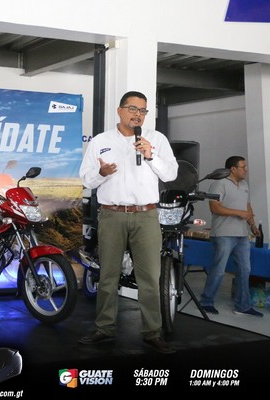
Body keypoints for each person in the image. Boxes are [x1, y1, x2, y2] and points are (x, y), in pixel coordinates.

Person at [78, 90, 179, 354]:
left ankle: (152, 332)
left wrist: (150, 155)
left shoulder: (156, 139)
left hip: (146, 216)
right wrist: (101, 173)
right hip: (111, 215)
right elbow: (86, 179)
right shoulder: (101, 141)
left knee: (150, 278)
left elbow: (171, 174)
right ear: (120, 110)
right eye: (133, 109)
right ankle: (104, 328)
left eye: (143, 110)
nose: (138, 115)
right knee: (108, 275)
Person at [199, 156, 263, 318]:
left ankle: (243, 305)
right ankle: (206, 302)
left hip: (242, 235)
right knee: (219, 270)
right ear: (233, 169)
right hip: (223, 234)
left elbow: (247, 207)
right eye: (243, 167)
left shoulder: (244, 185)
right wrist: (238, 213)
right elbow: (215, 207)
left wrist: (253, 225)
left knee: (245, 270)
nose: (246, 170)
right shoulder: (219, 184)